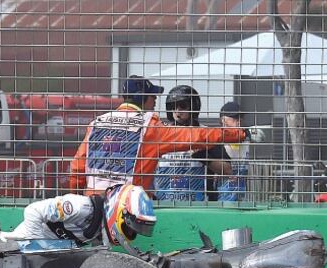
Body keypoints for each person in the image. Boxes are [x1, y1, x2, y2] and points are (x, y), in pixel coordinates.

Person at [69, 76, 260, 196]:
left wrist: (78, 197)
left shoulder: (98, 123)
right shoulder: (149, 127)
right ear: (143, 98)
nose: (155, 100)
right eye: (153, 96)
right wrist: (243, 133)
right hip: (127, 202)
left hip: (95, 199)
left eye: (183, 106)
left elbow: (77, 166)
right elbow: (199, 136)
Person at [0, 183, 156, 247]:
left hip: (50, 266)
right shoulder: (79, 207)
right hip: (20, 249)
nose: (131, 233)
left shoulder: (101, 230)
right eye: (131, 228)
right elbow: (33, 211)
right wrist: (37, 248)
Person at [154, 85, 231, 202]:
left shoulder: (206, 134)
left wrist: (204, 156)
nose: (177, 111)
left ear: (193, 106)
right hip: (164, 204)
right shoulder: (162, 134)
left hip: (199, 205)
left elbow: (227, 170)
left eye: (182, 106)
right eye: (173, 106)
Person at [214, 101, 251, 202]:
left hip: (240, 195)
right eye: (234, 118)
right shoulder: (217, 139)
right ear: (223, 120)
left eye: (240, 118)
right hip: (221, 196)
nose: (239, 121)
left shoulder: (246, 137)